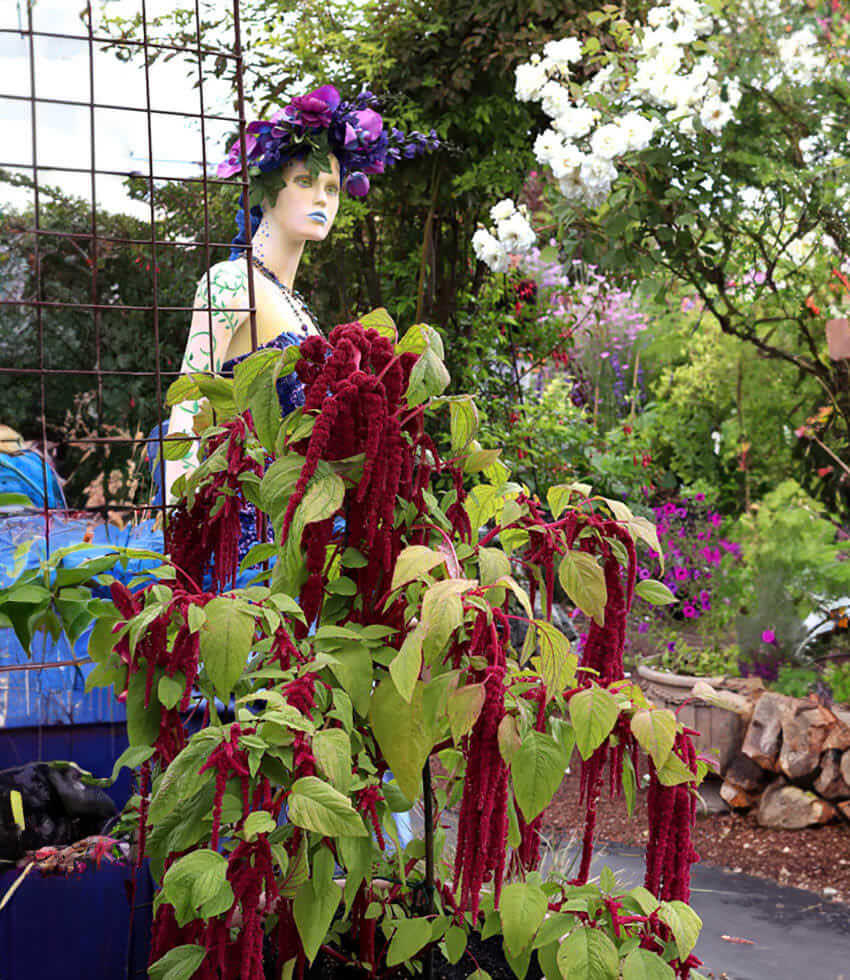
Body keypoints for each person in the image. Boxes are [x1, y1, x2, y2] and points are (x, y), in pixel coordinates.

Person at [149, 84, 440, 559]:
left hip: (299, 537)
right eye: (305, 182)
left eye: (331, 188)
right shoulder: (230, 282)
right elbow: (187, 403)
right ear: (265, 191)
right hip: (239, 543)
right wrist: (176, 529)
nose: (322, 199)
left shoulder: (298, 308)